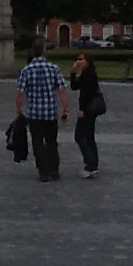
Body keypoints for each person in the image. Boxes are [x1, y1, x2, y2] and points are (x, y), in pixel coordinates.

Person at [15, 38, 69, 182]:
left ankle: (43, 172)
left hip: (35, 113)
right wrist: (66, 109)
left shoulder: (26, 70)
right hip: (50, 112)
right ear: (44, 51)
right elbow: (62, 90)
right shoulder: (54, 68)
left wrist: (18, 109)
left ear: (33, 52)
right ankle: (54, 169)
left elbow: (20, 93)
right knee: (52, 141)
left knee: (37, 142)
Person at [70, 52, 100, 178]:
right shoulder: (85, 74)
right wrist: (73, 72)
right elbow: (74, 86)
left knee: (80, 136)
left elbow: (87, 94)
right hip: (89, 110)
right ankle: (93, 164)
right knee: (88, 137)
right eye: (77, 59)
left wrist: (83, 110)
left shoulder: (90, 75)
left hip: (88, 110)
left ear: (87, 61)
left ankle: (90, 165)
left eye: (81, 59)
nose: (78, 61)